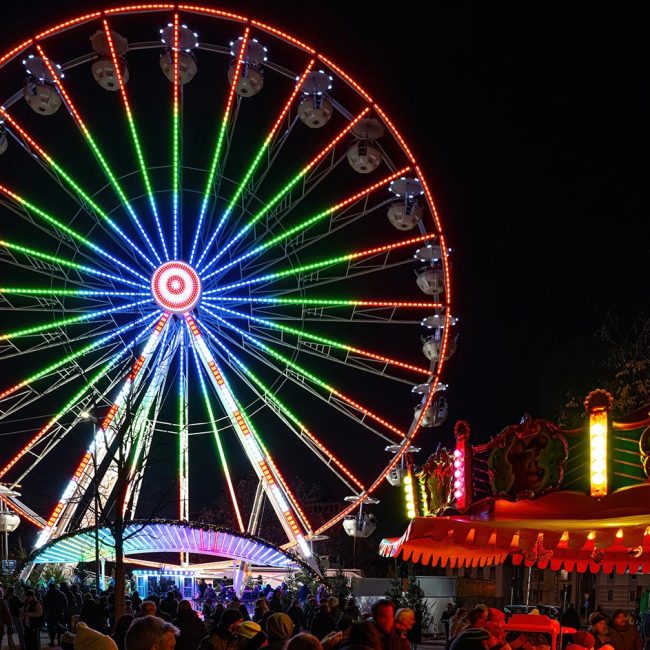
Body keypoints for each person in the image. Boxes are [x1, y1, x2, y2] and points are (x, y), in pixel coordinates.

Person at [5, 586, 23, 650]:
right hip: (16, 616)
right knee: (20, 630)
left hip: (8, 616)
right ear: (13, 591)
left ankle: (11, 644)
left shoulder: (5, 598)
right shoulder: (16, 598)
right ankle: (22, 644)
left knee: (9, 631)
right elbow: (20, 605)